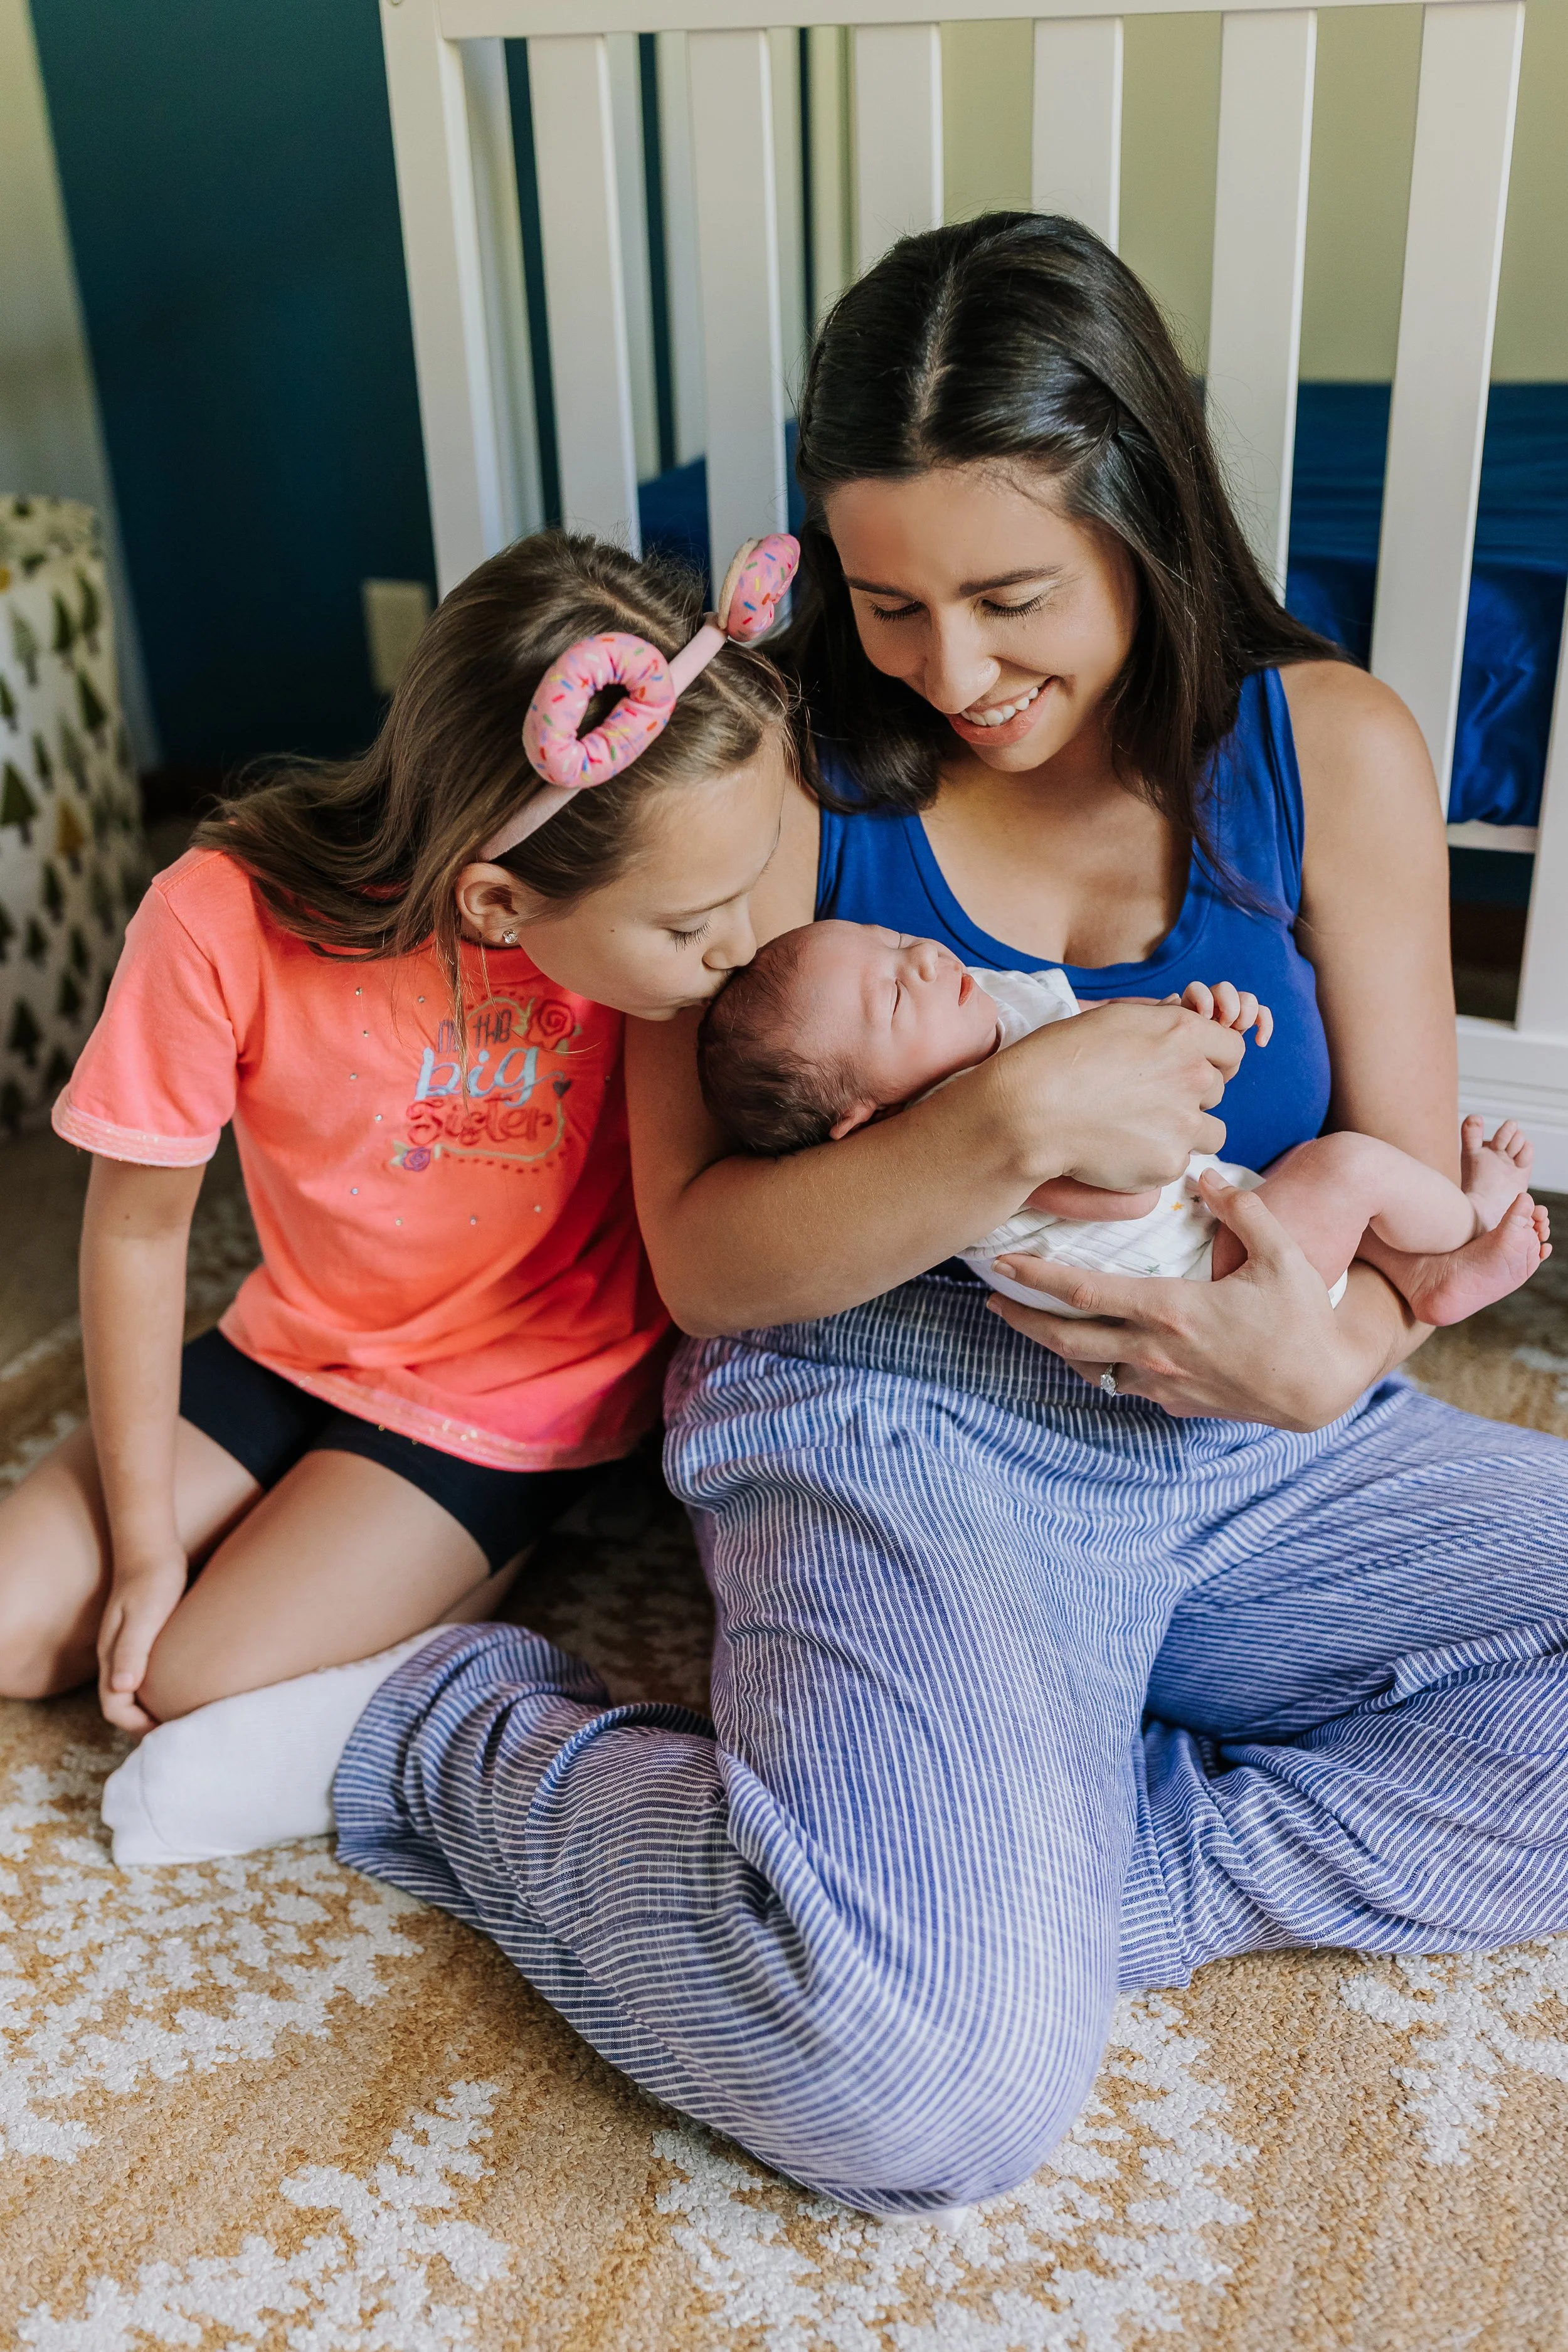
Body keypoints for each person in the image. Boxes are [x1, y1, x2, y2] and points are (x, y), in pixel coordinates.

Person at [100, 216, 1568, 2222]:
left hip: (1256, 1428)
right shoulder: (771, 760)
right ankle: (430, 1734)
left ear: (1144, 508)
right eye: (885, 602)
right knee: (920, 2095)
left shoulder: (1335, 751)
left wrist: (1333, 1350)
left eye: (1010, 595)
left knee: (990, 1960)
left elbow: (1397, 1225)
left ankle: (1063, 1874)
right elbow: (699, 1253)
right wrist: (1002, 1125)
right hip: (903, 1400)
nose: (951, 673)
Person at [0, 532, 796, 1732]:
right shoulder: (214, 920)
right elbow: (135, 1234)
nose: (742, 949)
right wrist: (151, 1540)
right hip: (298, 1337)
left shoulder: (652, 913)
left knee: (189, 1682)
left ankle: (505, 1537)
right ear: (495, 902)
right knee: (17, 1626)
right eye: (693, 928)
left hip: (521, 1380)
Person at [694, 917, 1550, 1323]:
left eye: (887, 941)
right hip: (1209, 1286)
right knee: (1348, 1169)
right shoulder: (944, 1161)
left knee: (1339, 1201)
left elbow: (1109, 1036)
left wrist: (1188, 1017)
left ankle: (1420, 1274)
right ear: (863, 1114)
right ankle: (1468, 1222)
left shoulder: (986, 1006)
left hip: (1225, 1222)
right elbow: (1124, 1199)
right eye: (889, 994)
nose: (918, 958)